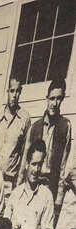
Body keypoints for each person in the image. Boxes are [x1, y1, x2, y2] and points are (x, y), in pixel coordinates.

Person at [20, 78, 72, 218]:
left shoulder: (65, 127)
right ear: (47, 99)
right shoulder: (35, 127)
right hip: (32, 183)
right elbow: (25, 160)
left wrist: (58, 201)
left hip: (50, 187)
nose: (54, 103)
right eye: (52, 98)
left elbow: (63, 166)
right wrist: (19, 187)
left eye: (59, 99)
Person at [6, 139, 54, 229]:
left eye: (39, 165)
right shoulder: (15, 194)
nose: (36, 169)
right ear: (27, 164)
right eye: (33, 164)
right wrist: (10, 227)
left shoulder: (46, 196)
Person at [0, 76, 31, 198]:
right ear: (7, 92)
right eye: (12, 91)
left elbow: (25, 154)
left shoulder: (25, 119)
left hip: (9, 183)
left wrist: (18, 185)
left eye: (18, 91)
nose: (15, 95)